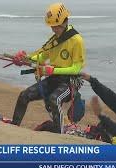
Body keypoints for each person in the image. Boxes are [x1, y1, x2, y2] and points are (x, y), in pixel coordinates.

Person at [11, 3, 86, 133]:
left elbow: (76, 69)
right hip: (53, 79)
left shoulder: (76, 40)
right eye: (52, 26)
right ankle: (13, 127)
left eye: (56, 26)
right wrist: (25, 59)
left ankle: (59, 135)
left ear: (65, 21)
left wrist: (53, 70)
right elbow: (41, 57)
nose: (53, 29)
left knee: (54, 99)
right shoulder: (54, 40)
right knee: (24, 95)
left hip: (68, 83)